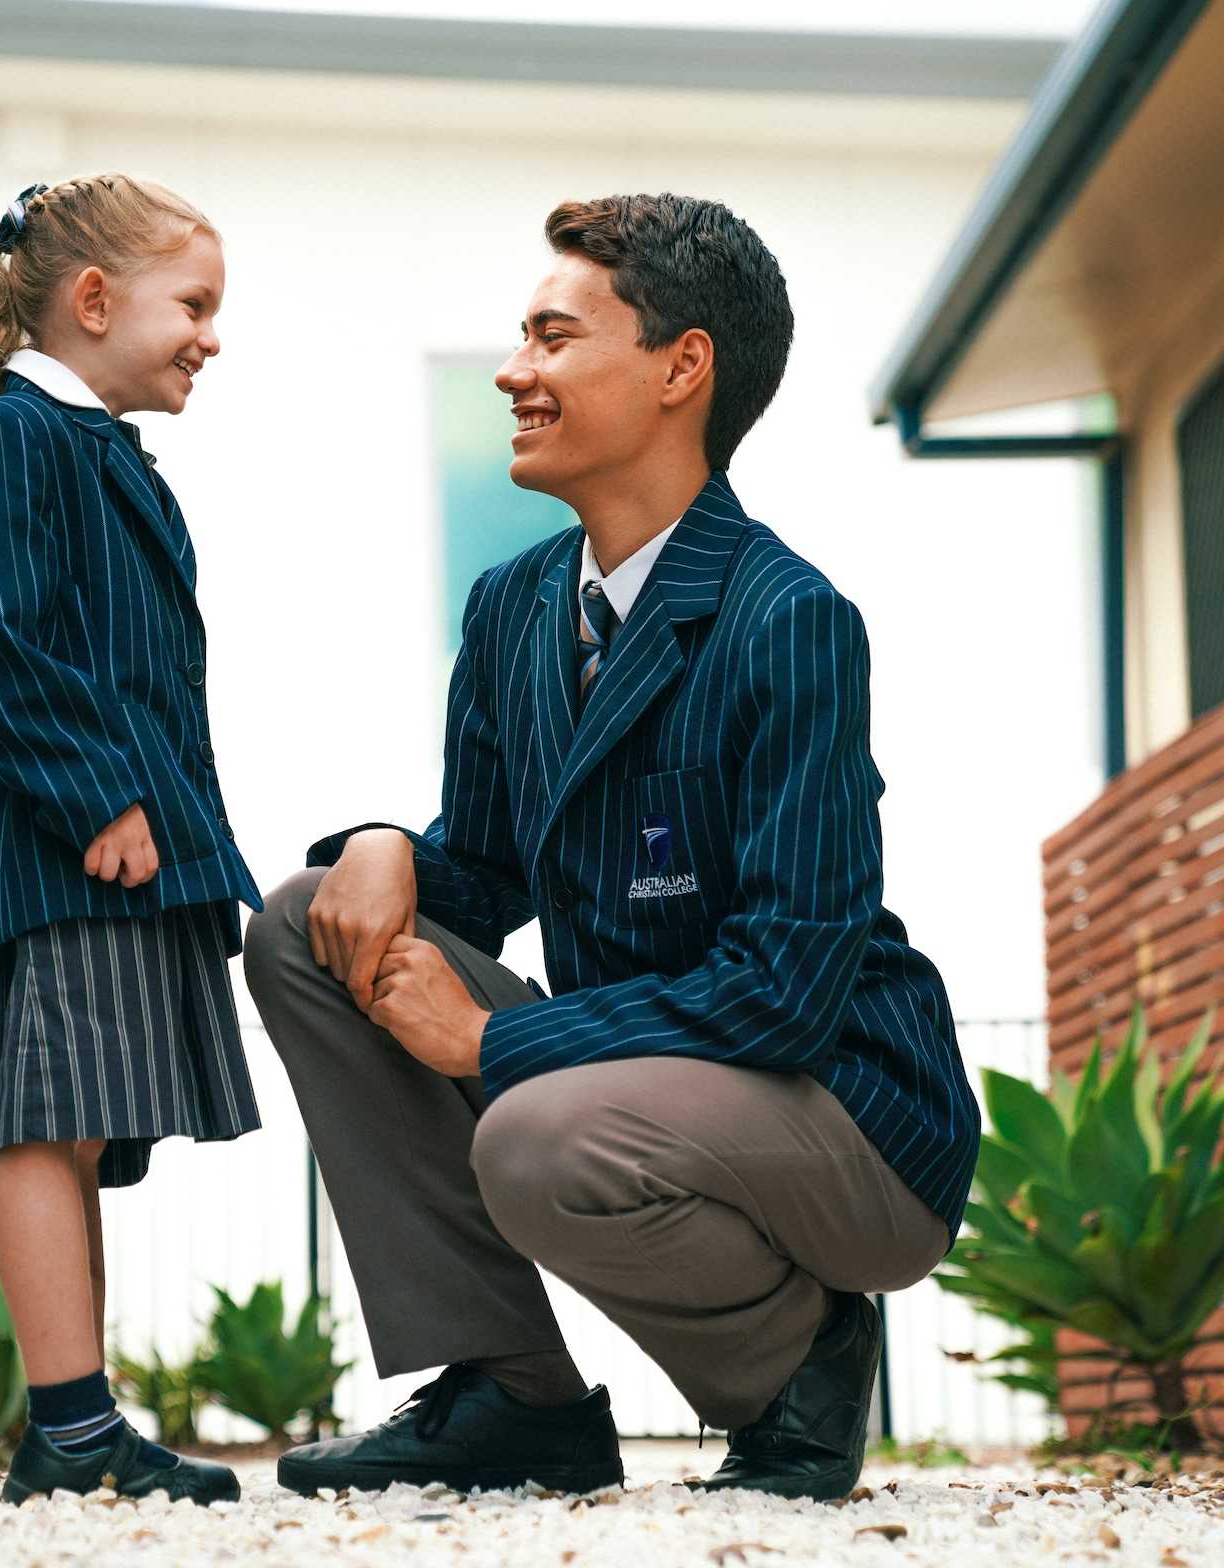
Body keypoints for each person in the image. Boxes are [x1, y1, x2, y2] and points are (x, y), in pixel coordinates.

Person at [244, 192, 979, 1501]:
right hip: (630, 1084)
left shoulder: (789, 620)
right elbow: (481, 867)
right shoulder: (515, 606)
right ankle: (511, 1395)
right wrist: (380, 846)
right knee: (308, 925)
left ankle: (802, 1369)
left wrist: (494, 1045)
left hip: (850, 1112)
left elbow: (786, 991)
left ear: (679, 368)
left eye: (553, 336)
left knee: (535, 1133)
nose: (513, 372)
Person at [0, 173, 263, 1504]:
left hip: (123, 848)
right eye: (196, 305)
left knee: (73, 1133)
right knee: (46, 1134)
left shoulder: (97, 453)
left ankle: (81, 1420)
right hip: (78, 852)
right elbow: (3, 637)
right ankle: (68, 1431)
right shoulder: (2, 444)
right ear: (94, 298)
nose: (210, 336)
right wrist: (96, 798)